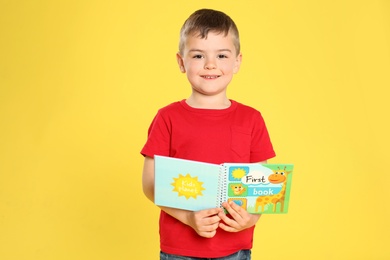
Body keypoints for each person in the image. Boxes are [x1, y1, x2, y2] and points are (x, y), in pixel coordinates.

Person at [141, 8, 276, 260]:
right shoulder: (167, 117)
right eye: (198, 55)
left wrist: (250, 218)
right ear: (182, 62)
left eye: (222, 55)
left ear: (237, 62)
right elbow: (150, 184)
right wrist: (188, 218)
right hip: (179, 248)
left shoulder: (252, 119)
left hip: (234, 248)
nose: (211, 64)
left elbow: (260, 189)